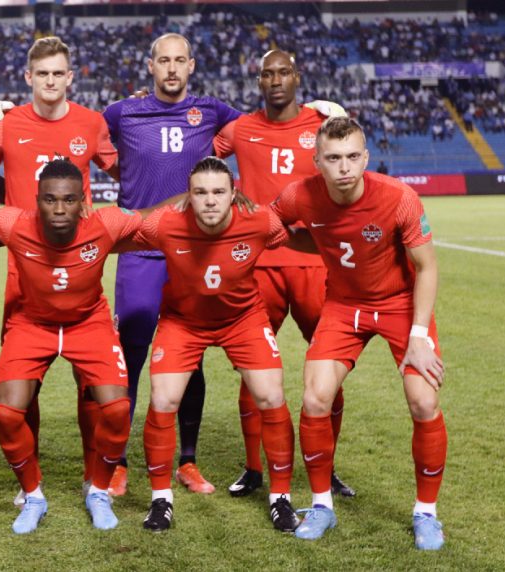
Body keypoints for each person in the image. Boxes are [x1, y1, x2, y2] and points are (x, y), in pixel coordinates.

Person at [270, 117, 446, 550]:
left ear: (366, 158)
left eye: (352, 157)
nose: (344, 167)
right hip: (343, 305)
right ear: (317, 162)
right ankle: (322, 506)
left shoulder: (399, 198)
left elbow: (426, 267)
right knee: (314, 398)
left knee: (423, 400)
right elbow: (272, 225)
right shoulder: (300, 195)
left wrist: (419, 335)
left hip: (400, 304)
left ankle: (427, 513)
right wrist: (317, 245)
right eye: (333, 158)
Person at [0, 159, 141, 533]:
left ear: (83, 201)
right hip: (32, 324)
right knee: (7, 414)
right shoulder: (15, 223)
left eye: (68, 200)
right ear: (37, 201)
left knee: (116, 409)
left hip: (89, 323)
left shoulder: (106, 223)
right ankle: (34, 496)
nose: (60, 209)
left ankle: (98, 491)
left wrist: (218, 197)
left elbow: (153, 216)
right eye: (50, 200)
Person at [0, 36, 120, 504]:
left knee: (90, 381)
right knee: (22, 383)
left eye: (59, 74)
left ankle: (96, 478)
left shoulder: (91, 124)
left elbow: (125, 173)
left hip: (79, 266)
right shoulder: (9, 124)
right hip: (23, 268)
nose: (51, 82)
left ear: (71, 77)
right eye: (42, 74)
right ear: (28, 78)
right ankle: (26, 485)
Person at [101, 33, 241, 496]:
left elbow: (265, 129)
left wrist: (319, 109)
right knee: (131, 356)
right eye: (164, 61)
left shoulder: (214, 111)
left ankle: (188, 460)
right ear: (150, 65)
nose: (172, 68)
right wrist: (0, 108)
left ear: (193, 64)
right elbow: (77, 131)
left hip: (191, 254)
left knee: (190, 356)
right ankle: (118, 462)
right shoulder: (122, 113)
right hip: (139, 251)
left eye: (180, 60)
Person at [213, 49, 355, 498]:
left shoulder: (320, 123)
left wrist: (340, 115)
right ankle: (255, 469)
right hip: (258, 268)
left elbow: (350, 155)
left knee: (328, 372)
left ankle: (326, 467)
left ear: (297, 77)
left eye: (283, 73)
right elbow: (199, 156)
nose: (276, 81)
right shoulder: (240, 129)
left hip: (316, 264)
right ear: (258, 81)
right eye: (267, 74)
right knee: (253, 371)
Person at [136, 156, 300, 533]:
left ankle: (281, 498)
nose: (210, 200)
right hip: (183, 323)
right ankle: (161, 499)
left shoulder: (260, 221)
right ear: (188, 196)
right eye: (200, 193)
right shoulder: (166, 223)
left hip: (242, 320)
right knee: (162, 400)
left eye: (218, 192)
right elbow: (117, 235)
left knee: (272, 397)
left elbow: (292, 235)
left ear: (233, 195)